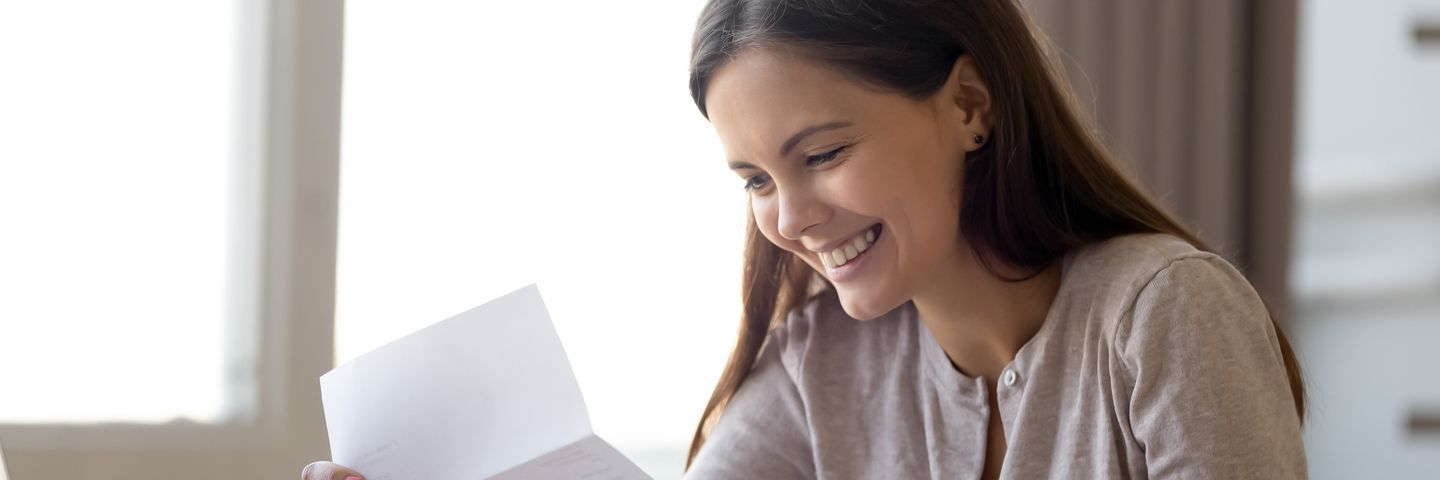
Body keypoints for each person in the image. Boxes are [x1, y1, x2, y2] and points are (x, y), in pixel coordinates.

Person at [304, 0, 1307, 478]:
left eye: (821, 153)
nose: (788, 218)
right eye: (754, 181)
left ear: (967, 104)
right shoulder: (821, 362)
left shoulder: (1160, 312)